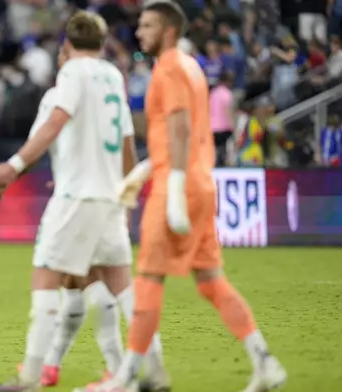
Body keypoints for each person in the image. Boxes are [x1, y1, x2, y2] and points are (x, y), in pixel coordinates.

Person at [75, 2, 287, 391]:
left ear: (168, 29)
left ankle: (127, 378)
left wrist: (171, 190)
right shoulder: (190, 65)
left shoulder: (170, 67)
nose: (139, 33)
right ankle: (265, 362)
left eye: (148, 25)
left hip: (182, 186)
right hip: (201, 183)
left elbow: (180, 130)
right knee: (210, 281)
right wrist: (141, 173)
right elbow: (179, 135)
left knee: (149, 279)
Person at [0, 11, 164, 392]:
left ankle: (31, 377)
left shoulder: (71, 76)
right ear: (103, 43)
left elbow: (55, 122)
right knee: (122, 287)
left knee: (47, 276)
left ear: (66, 45)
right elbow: (128, 142)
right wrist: (128, 194)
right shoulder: (114, 76)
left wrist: (13, 167)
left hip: (76, 195)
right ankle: (155, 371)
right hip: (111, 195)